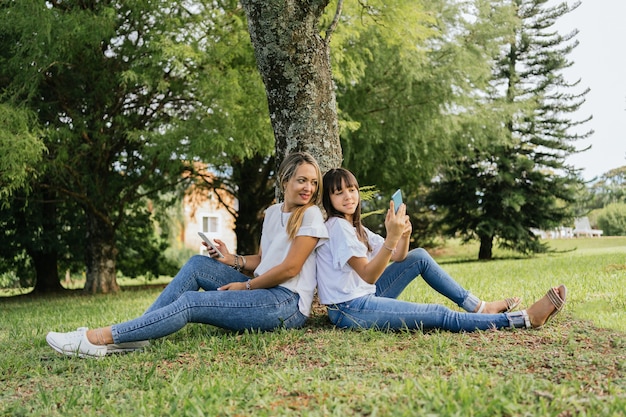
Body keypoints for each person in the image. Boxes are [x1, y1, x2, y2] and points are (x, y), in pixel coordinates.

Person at [46, 152, 329, 358]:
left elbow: (291, 268)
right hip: (263, 289)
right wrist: (231, 259)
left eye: (314, 183)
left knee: (192, 302)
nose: (309, 188)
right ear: (285, 180)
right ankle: (138, 334)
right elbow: (262, 261)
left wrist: (245, 286)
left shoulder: (312, 214)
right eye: (302, 180)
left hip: (286, 304)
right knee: (197, 264)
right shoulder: (271, 213)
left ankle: (97, 338)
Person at [315, 168, 567, 332]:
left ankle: (481, 307)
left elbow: (399, 257)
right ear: (329, 199)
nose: (348, 196)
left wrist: (404, 235)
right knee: (436, 314)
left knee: (419, 256)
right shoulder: (337, 227)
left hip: (365, 295)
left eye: (352, 189)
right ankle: (523, 319)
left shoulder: (356, 227)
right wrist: (392, 238)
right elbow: (368, 274)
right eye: (339, 193)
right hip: (348, 309)